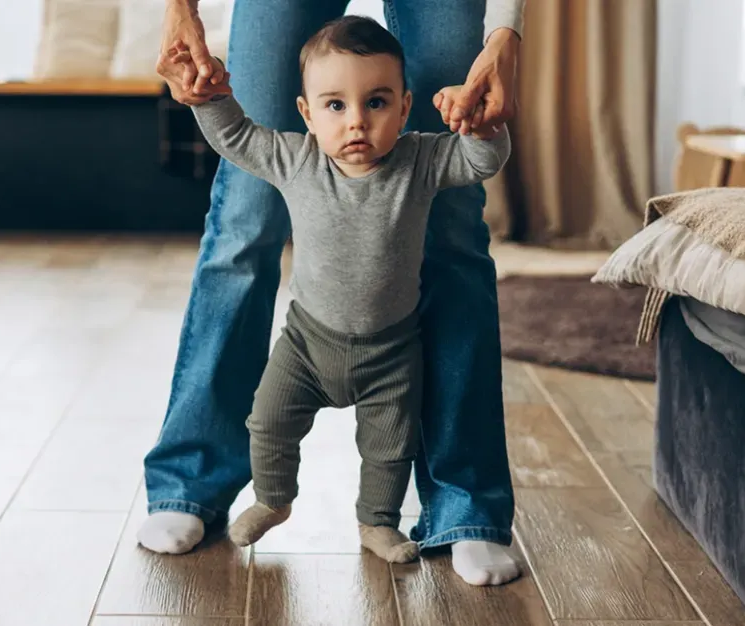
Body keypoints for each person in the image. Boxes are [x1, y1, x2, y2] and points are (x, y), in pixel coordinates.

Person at [140, 0, 526, 586]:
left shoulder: (420, 160)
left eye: (376, 104)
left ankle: (464, 508)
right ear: (308, 113)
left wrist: (505, 35)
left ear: (402, 108)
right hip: (309, 341)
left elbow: (476, 155)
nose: (355, 122)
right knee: (245, 215)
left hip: (391, 351)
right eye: (336, 107)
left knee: (453, 228)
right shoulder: (295, 157)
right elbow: (239, 136)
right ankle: (192, 481)